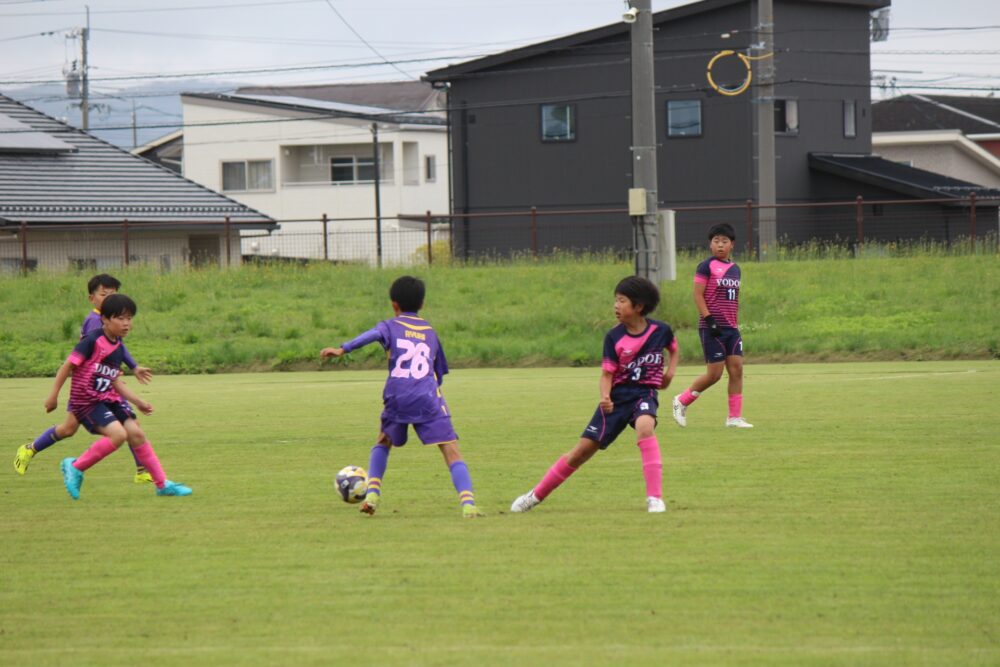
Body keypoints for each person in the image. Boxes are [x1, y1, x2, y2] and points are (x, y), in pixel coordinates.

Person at [511, 276, 679, 514]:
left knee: (645, 427)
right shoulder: (614, 337)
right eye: (616, 300)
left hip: (644, 394)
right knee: (580, 453)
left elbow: (673, 348)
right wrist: (605, 396)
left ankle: (655, 498)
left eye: (622, 301)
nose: (616, 306)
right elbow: (607, 374)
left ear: (639, 306)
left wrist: (669, 373)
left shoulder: (660, 330)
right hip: (617, 399)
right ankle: (535, 495)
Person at [321, 275, 482, 518]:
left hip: (397, 395)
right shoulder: (430, 332)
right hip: (427, 396)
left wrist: (343, 349)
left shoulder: (389, 326)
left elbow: (371, 335)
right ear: (422, 303)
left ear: (394, 304)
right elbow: (438, 373)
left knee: (383, 441)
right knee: (451, 449)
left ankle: (372, 495)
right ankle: (468, 505)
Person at [14, 274, 154, 479]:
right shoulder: (96, 322)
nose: (109, 299)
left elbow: (118, 347)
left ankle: (142, 471)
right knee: (78, 429)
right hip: (91, 388)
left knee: (73, 428)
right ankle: (36, 451)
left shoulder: (115, 320)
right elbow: (85, 356)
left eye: (112, 295)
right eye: (104, 295)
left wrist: (132, 367)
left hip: (103, 383)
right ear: (92, 298)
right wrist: (55, 394)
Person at [56, 294, 191, 500]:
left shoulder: (118, 346)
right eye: (121, 318)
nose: (127, 323)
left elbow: (115, 381)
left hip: (107, 398)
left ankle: (162, 485)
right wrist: (53, 396)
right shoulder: (91, 341)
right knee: (118, 435)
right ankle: (75, 466)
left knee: (136, 433)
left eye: (129, 318)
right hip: (87, 401)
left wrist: (138, 402)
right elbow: (67, 366)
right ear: (105, 319)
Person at [671, 223, 753, 428]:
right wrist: (709, 320)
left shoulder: (736, 269)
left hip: (731, 328)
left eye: (724, 241)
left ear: (732, 245)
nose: (720, 245)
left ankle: (734, 418)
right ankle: (681, 401)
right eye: (716, 241)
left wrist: (733, 323)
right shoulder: (705, 266)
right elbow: (697, 295)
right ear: (710, 244)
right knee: (714, 374)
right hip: (711, 327)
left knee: (737, 370)